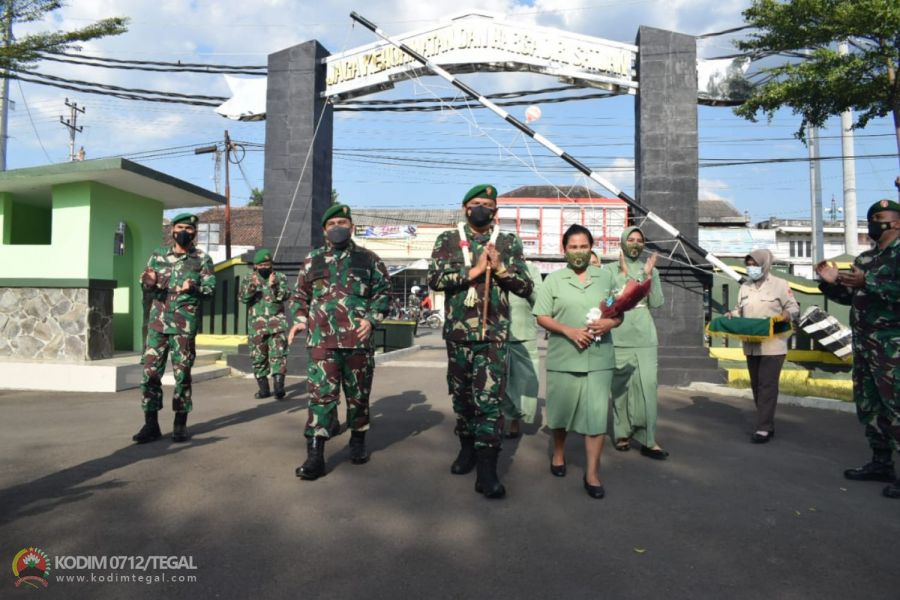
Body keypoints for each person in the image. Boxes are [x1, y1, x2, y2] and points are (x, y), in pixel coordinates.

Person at [428, 184, 533, 499]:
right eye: (475, 203)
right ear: (465, 209)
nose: (481, 208)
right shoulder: (447, 240)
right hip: (459, 335)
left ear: (495, 210)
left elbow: (525, 286)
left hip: (492, 336)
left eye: (487, 204)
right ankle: (467, 449)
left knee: (489, 402)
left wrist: (499, 268)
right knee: (462, 399)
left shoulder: (507, 241)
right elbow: (434, 279)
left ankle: (487, 469)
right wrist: (473, 270)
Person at [287, 204, 390, 480]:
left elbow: (383, 294)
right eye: (331, 223)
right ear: (324, 230)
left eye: (342, 222)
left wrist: (372, 318)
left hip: (358, 341)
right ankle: (315, 456)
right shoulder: (312, 260)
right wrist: (299, 318)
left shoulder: (369, 260)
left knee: (358, 397)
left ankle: (357, 442)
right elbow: (299, 296)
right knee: (321, 397)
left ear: (352, 226)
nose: (337, 227)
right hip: (322, 341)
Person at [816, 199, 900, 498]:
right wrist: (830, 283)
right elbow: (852, 297)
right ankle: (881, 463)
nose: (873, 222)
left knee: (897, 407)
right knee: (869, 405)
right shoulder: (864, 259)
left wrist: (870, 282)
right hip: (865, 345)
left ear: (897, 221)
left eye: (879, 217)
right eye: (871, 218)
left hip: (893, 347)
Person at [533, 224, 622, 499]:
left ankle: (592, 473)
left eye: (584, 246)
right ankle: (558, 454)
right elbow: (542, 316)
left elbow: (619, 312)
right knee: (560, 413)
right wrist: (569, 331)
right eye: (573, 247)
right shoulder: (554, 280)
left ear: (591, 248)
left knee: (596, 417)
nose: (579, 252)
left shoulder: (606, 277)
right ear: (564, 250)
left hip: (598, 359)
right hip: (563, 357)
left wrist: (610, 322)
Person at [132, 212, 215, 444]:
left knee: (182, 375)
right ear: (172, 230)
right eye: (180, 227)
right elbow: (146, 281)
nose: (184, 232)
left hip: (183, 327)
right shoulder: (158, 256)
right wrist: (148, 281)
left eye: (189, 229)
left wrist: (194, 286)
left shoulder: (202, 259)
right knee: (150, 374)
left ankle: (180, 423)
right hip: (157, 325)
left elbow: (209, 290)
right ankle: (151, 424)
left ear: (195, 233)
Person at [604, 226, 667, 458]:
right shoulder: (609, 270)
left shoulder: (650, 270)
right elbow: (609, 302)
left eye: (639, 240)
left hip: (645, 336)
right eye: (630, 239)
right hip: (618, 334)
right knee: (620, 389)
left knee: (648, 387)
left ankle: (649, 439)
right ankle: (622, 434)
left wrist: (650, 275)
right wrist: (631, 278)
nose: (635, 243)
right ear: (622, 241)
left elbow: (658, 302)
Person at [725, 249, 799, 443]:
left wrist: (785, 315)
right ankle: (767, 423)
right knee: (757, 386)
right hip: (751, 345)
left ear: (765, 265)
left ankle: (763, 427)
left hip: (773, 345)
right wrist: (732, 315)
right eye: (748, 265)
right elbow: (740, 309)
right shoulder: (745, 287)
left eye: (754, 264)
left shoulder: (780, 285)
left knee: (767, 385)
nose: (751, 268)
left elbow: (793, 307)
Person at [240, 248, 290, 400]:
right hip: (257, 327)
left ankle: (279, 387)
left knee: (278, 355)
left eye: (267, 264)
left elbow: (285, 296)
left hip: (277, 325)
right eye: (261, 265)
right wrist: (253, 287)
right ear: (255, 266)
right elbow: (243, 298)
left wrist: (273, 285)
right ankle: (264, 389)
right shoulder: (248, 278)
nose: (264, 268)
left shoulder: (279, 277)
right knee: (258, 358)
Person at [502, 261, 543, 438]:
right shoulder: (493, 266)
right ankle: (498, 419)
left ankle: (515, 419)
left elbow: (539, 300)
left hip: (524, 331)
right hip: (496, 333)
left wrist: (522, 279)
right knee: (498, 382)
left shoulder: (530, 269)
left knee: (525, 381)